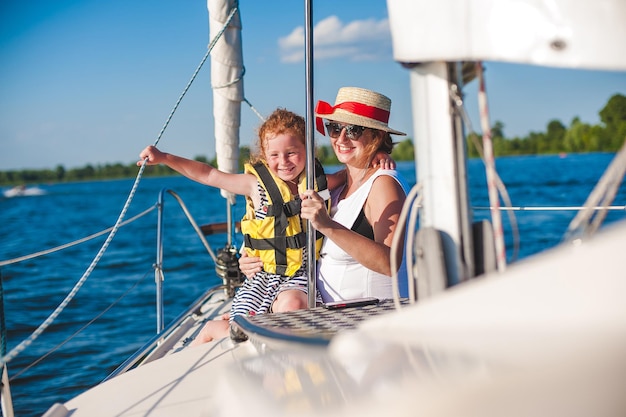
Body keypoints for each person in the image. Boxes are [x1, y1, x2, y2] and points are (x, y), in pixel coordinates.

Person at [139, 108, 394, 344]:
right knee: (241, 331)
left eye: (292, 153)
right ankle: (210, 330)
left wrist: (378, 155)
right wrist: (164, 158)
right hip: (262, 275)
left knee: (293, 309)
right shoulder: (254, 186)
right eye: (274, 155)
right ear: (263, 155)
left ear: (307, 150)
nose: (283, 161)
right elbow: (208, 174)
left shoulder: (320, 182)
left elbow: (356, 173)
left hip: (300, 276)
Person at [240, 87, 408, 302]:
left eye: (354, 130)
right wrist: (251, 257)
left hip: (372, 321)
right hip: (333, 317)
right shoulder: (340, 186)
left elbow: (389, 262)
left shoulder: (383, 183)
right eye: (335, 129)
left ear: (377, 135)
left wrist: (327, 225)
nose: (342, 139)